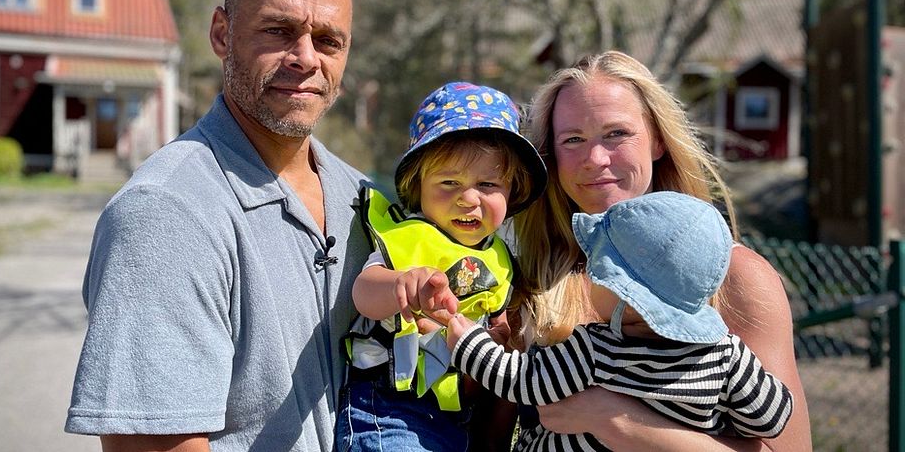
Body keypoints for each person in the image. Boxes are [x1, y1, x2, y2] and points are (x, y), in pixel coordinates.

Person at [64, 0, 372, 452]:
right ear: (222, 34)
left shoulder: (360, 196)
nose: (305, 58)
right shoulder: (167, 214)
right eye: (278, 30)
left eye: (328, 40)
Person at [500, 50, 812, 451]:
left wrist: (614, 420)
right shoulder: (532, 276)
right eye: (573, 139)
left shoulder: (737, 275)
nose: (595, 159)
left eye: (616, 134)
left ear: (659, 141)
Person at [447, 191, 794, 451]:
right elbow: (770, 417)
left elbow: (522, 380)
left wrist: (465, 340)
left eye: (597, 270)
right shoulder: (726, 355)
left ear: (625, 297)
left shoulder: (596, 349)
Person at [335, 81, 548, 451]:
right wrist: (402, 284)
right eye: (449, 182)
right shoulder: (411, 237)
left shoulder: (500, 260)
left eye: (487, 183)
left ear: (512, 190)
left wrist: (498, 337)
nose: (468, 199)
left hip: (455, 414)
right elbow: (364, 292)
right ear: (418, 186)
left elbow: (496, 324)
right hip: (389, 410)